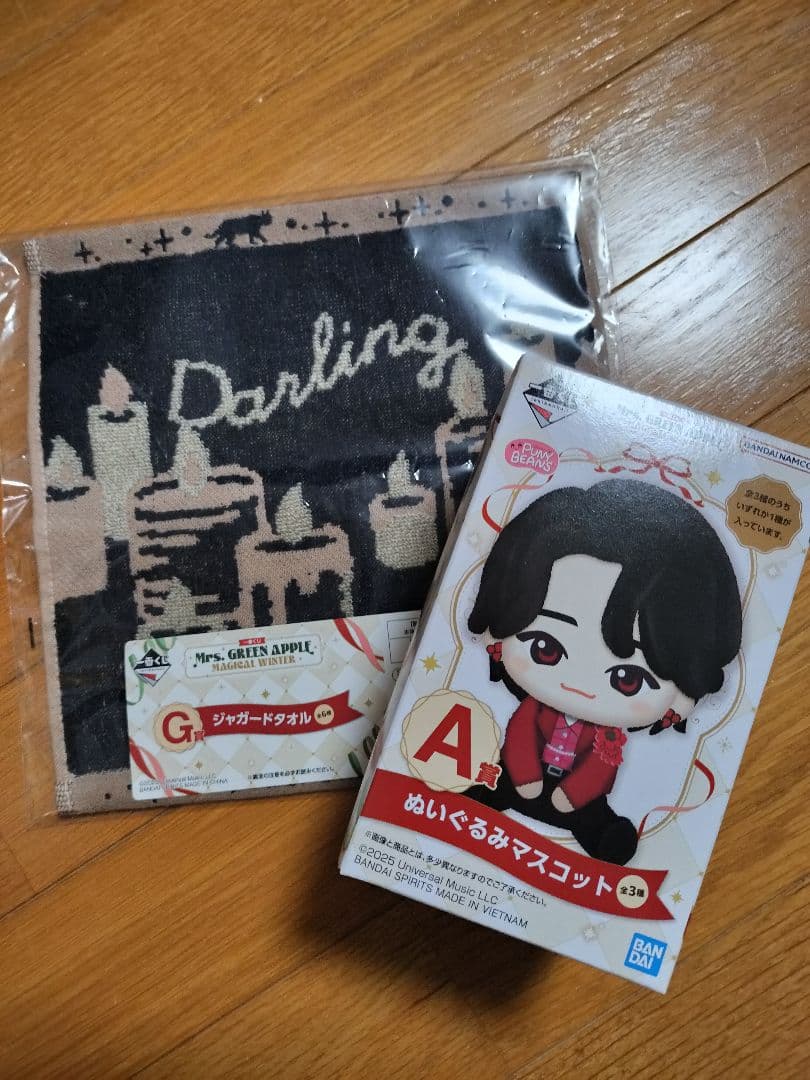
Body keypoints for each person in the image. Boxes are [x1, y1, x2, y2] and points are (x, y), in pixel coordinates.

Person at [467, 478, 743, 865]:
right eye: (546, 649)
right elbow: (520, 736)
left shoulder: (608, 737)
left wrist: (571, 796)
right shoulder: (534, 710)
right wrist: (526, 776)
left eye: (627, 679)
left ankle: (602, 835)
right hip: (519, 777)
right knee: (493, 785)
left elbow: (600, 768)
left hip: (577, 800)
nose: (578, 686)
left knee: (595, 822)